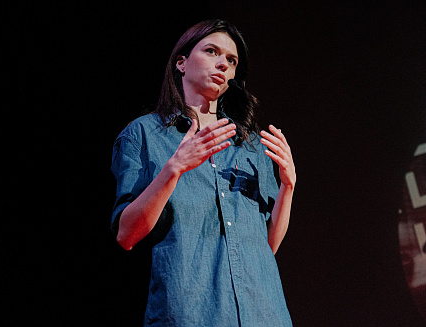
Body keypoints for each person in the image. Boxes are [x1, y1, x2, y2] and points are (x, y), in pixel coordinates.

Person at [111, 19, 295, 326]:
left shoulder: (250, 145)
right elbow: (126, 235)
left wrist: (288, 186)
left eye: (232, 60)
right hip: (190, 313)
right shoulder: (143, 135)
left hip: (264, 313)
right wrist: (175, 167)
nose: (223, 64)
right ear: (181, 63)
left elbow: (266, 250)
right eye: (212, 51)